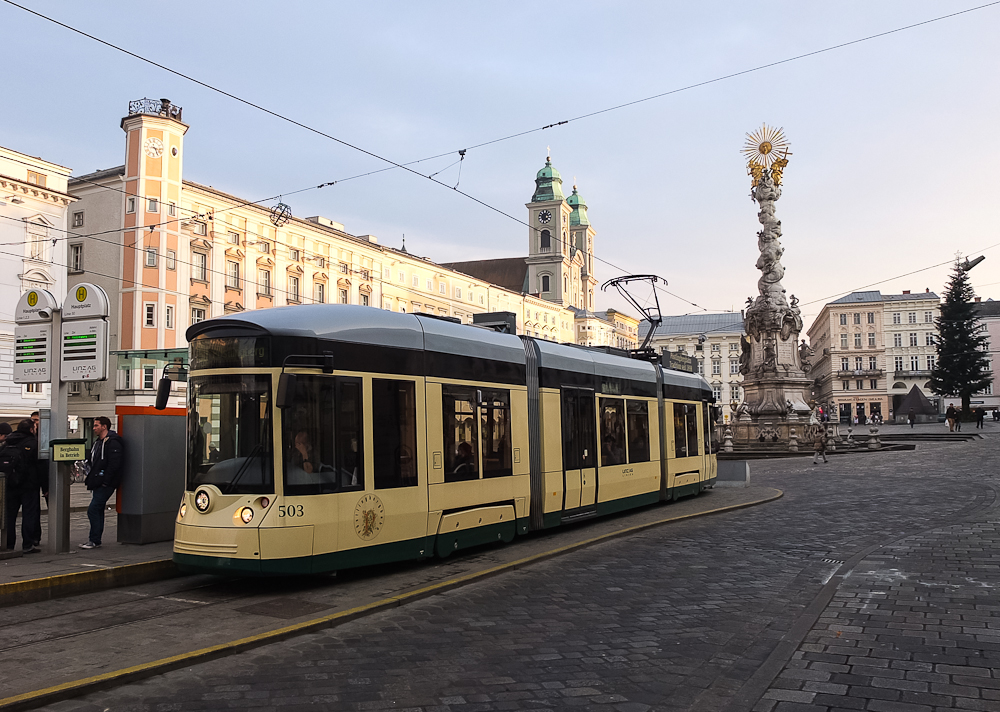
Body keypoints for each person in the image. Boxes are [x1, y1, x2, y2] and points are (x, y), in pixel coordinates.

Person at [81, 416, 124, 550]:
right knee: (97, 509)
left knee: (93, 509)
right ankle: (95, 539)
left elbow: (114, 464)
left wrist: (106, 481)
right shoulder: (98, 442)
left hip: (105, 482)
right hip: (97, 480)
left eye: (96, 426)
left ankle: (94, 539)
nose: (94, 428)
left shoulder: (112, 442)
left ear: (104, 426)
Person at [1, 419, 41, 553]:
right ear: (31, 429)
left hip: (10, 483)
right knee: (29, 514)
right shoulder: (33, 443)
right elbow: (40, 466)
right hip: (29, 485)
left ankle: (8, 544)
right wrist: (45, 486)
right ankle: (27, 545)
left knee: (9, 516)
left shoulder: (8, 442)